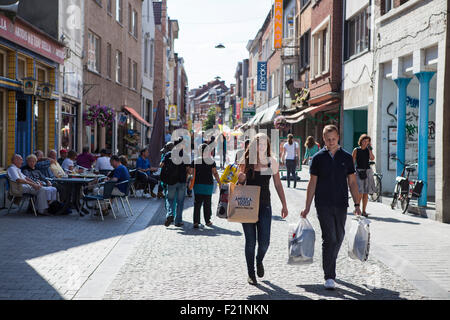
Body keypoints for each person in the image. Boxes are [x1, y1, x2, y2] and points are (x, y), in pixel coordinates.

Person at [300, 125, 361, 290]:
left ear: (338, 138)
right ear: (323, 139)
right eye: (328, 139)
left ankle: (329, 262)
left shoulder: (347, 157)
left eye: (333, 139)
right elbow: (312, 183)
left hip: (341, 203)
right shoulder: (318, 158)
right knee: (330, 238)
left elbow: (353, 182)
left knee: (340, 236)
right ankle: (329, 276)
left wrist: (357, 204)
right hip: (323, 204)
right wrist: (306, 207)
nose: (331, 142)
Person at [237, 133, 289, 286]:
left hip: (265, 205)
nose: (261, 146)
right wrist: (240, 179)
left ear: (267, 145)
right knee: (250, 242)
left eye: (264, 143)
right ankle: (251, 273)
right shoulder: (246, 161)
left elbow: (278, 184)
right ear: (254, 145)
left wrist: (284, 205)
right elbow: (237, 185)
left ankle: (259, 260)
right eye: (258, 143)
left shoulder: (271, 162)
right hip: (246, 205)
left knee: (264, 242)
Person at [189, 143, 222, 229]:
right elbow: (215, 173)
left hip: (197, 185)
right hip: (208, 185)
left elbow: (191, 173)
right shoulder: (211, 161)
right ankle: (207, 221)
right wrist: (219, 183)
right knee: (207, 203)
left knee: (197, 203)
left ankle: (196, 222)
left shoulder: (195, 161)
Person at [161, 137, 189, 228]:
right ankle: (178, 221)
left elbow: (161, 165)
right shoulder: (185, 155)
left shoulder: (169, 154)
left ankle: (170, 214)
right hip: (182, 181)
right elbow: (189, 170)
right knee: (180, 202)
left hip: (171, 181)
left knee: (170, 199)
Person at [352, 134, 376, 217]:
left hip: (367, 172)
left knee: (366, 193)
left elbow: (372, 158)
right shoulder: (356, 150)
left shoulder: (368, 150)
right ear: (361, 141)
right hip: (359, 172)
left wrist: (370, 149)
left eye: (367, 142)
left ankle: (364, 211)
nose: (366, 143)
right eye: (364, 141)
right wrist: (352, 172)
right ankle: (357, 209)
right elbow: (352, 161)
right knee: (360, 192)